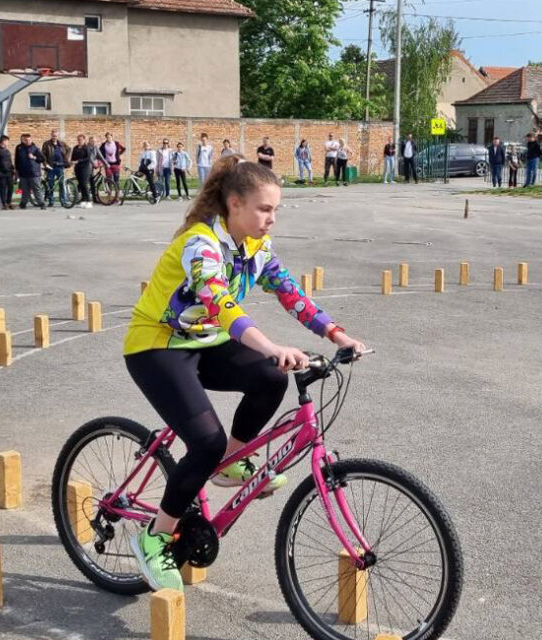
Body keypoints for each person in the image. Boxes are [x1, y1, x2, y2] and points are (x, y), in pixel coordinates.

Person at [124, 154, 367, 590]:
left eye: (276, 210)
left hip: (205, 343)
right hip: (157, 345)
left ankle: (229, 463)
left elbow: (291, 294)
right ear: (234, 204)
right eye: (264, 209)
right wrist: (271, 346)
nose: (271, 219)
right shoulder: (201, 244)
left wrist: (336, 334)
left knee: (270, 378)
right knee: (204, 441)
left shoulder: (256, 247)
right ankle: (155, 536)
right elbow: (219, 303)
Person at [14, 133, 45, 210]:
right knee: (25, 190)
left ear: (31, 139)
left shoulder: (35, 148)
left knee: (36, 189)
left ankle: (41, 203)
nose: (27, 141)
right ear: (23, 140)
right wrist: (17, 171)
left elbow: (42, 159)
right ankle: (23, 203)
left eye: (29, 139)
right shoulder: (19, 148)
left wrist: (34, 157)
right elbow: (17, 161)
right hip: (23, 173)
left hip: (34, 172)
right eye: (25, 140)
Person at [41, 130, 71, 207]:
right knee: (51, 184)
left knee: (61, 184)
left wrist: (66, 158)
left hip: (60, 166)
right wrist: (45, 164)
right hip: (51, 167)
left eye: (56, 136)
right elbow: (43, 155)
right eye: (53, 136)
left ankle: (63, 201)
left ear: (58, 136)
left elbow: (69, 149)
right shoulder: (46, 144)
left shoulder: (62, 143)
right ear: (51, 136)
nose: (55, 137)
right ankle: (51, 201)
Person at [70, 134, 94, 209]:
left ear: (84, 140)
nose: (79, 141)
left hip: (85, 168)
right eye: (78, 140)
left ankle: (89, 201)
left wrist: (78, 161)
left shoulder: (86, 148)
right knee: (80, 184)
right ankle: (83, 201)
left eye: (81, 140)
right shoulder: (75, 148)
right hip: (77, 168)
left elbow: (88, 158)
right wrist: (72, 162)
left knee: (84, 184)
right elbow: (73, 157)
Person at [0, 134, 16, 209]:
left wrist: (13, 169)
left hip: (9, 172)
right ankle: (4, 204)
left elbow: (9, 162)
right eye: (7, 141)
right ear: (3, 141)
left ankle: (9, 202)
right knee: (3, 188)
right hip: (1, 173)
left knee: (11, 188)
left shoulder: (7, 151)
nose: (8, 143)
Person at [101, 132, 125, 201]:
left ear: (112, 137)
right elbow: (99, 152)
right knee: (109, 180)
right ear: (106, 138)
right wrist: (103, 160)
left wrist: (118, 155)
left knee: (116, 180)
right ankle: (110, 196)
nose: (109, 138)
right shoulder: (104, 145)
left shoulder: (116, 144)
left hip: (116, 164)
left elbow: (123, 149)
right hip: (108, 165)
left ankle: (117, 197)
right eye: (107, 137)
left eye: (110, 137)